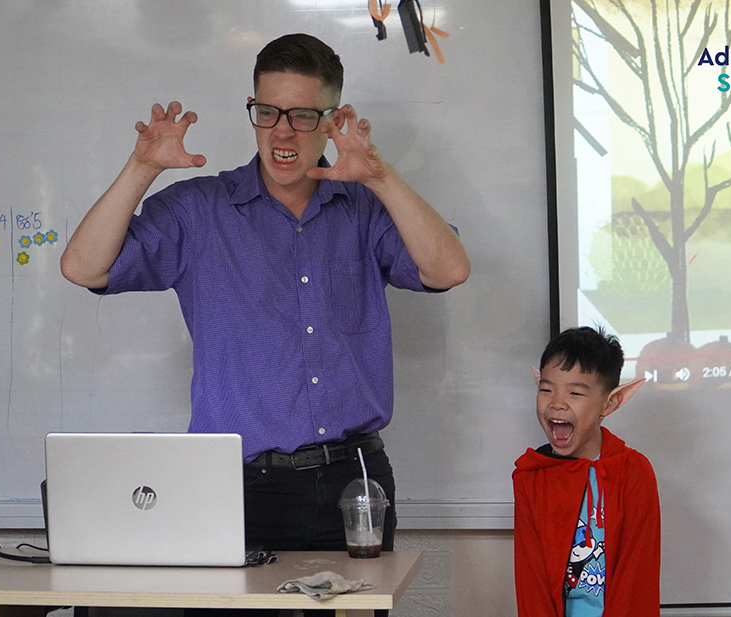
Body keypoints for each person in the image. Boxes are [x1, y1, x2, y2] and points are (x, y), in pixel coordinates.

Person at [60, 31, 470, 604]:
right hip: (236, 486)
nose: (282, 131)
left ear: (332, 121)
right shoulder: (198, 210)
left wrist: (380, 176)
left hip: (352, 484)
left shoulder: (365, 209)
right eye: (267, 111)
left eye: (302, 116)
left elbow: (449, 269)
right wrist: (141, 167)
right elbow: (82, 266)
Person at [512, 326, 660, 617]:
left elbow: (636, 577)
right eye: (546, 389)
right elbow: (531, 582)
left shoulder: (634, 472)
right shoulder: (531, 475)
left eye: (575, 393)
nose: (556, 403)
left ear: (610, 402)